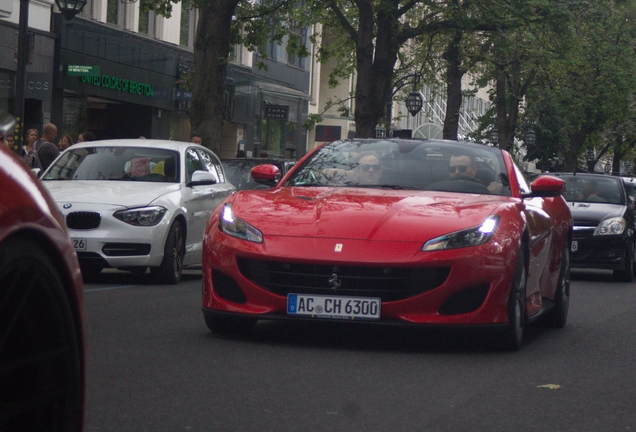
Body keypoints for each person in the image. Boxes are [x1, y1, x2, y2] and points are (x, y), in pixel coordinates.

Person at [427, 153, 492, 194]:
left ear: (474, 170)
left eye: (462, 168)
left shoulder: (488, 193)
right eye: (452, 169)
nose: (457, 172)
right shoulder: (435, 192)